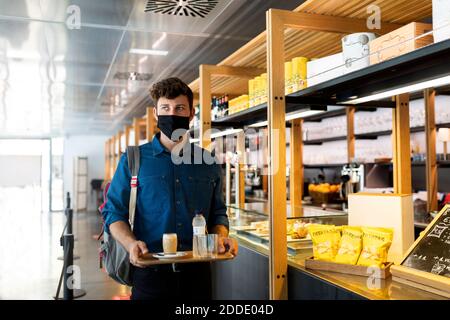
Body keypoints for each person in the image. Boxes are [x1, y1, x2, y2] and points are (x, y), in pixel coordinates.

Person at [102, 77, 238, 300]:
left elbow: (218, 215)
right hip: (149, 274)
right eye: (165, 108)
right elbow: (113, 212)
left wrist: (220, 237)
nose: (172, 114)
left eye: (180, 108)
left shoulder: (208, 163)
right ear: (156, 113)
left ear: (191, 114)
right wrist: (130, 244)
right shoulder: (134, 159)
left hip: (198, 276)